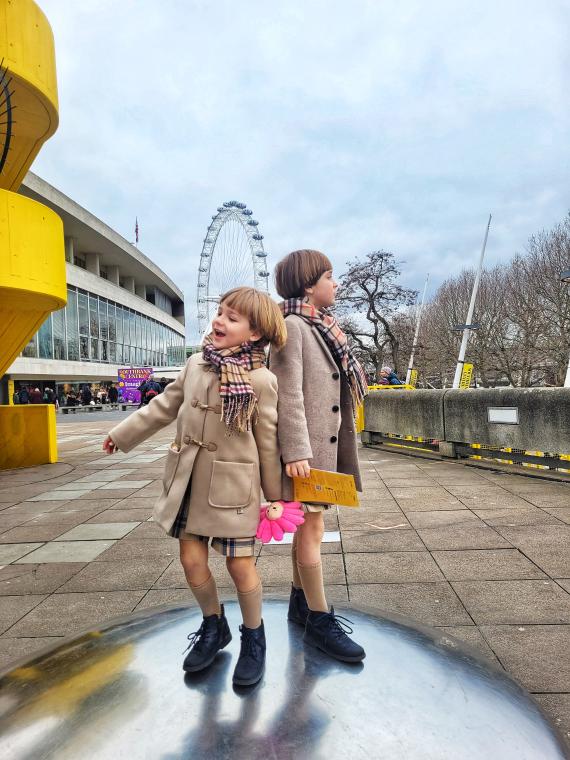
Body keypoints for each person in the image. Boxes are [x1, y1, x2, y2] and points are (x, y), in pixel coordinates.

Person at [102, 287, 286, 687]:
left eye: (232, 317)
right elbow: (162, 407)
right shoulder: (194, 365)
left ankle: (254, 638)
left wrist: (274, 495)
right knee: (190, 560)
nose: (219, 321)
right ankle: (213, 624)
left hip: (234, 487)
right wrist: (123, 433)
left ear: (254, 333)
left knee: (240, 566)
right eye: (220, 312)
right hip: (189, 480)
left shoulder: (262, 379)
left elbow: (268, 439)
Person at [270, 249, 368, 663]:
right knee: (312, 529)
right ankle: (318, 615)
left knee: (308, 526)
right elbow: (286, 393)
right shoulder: (293, 326)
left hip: (317, 451)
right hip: (306, 454)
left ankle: (300, 604)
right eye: (331, 276)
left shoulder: (320, 326)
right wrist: (295, 449)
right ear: (310, 284)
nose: (337, 283)